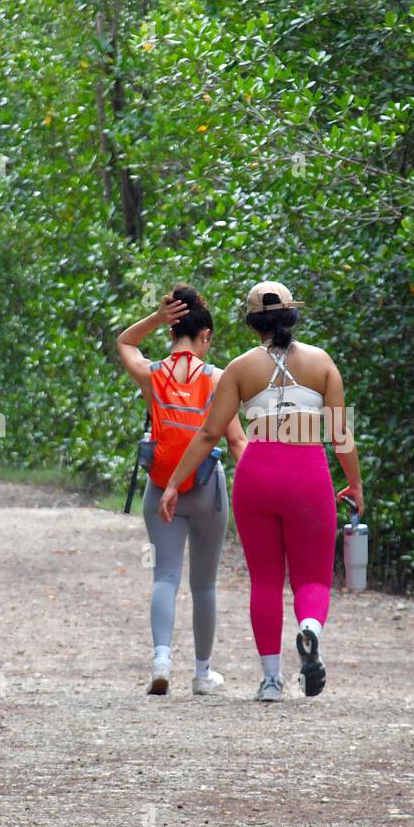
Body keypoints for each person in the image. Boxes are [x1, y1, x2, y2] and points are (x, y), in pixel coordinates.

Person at [158, 281, 364, 702]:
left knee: (265, 581)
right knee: (313, 576)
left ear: (253, 323)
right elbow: (341, 435)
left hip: (257, 474)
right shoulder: (322, 363)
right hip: (308, 474)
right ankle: (309, 629)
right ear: (292, 315)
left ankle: (271, 679)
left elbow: (208, 434)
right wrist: (356, 484)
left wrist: (174, 483)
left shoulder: (238, 368)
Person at [117, 285, 247, 696]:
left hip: (161, 488)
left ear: (172, 333)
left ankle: (161, 660)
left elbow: (124, 341)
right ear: (205, 336)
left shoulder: (152, 374)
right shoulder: (220, 379)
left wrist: (156, 317)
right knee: (204, 584)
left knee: (165, 576)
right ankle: (203, 674)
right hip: (207, 489)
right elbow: (236, 442)